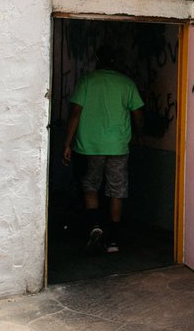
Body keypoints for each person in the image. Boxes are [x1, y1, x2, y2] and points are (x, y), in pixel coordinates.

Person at [62, 44, 145, 254]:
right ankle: (114, 240)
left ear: (98, 59)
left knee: (90, 187)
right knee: (117, 191)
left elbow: (75, 114)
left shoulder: (87, 81)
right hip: (118, 146)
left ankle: (95, 225)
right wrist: (140, 135)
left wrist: (67, 143)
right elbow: (138, 114)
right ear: (116, 62)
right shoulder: (127, 84)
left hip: (89, 147)